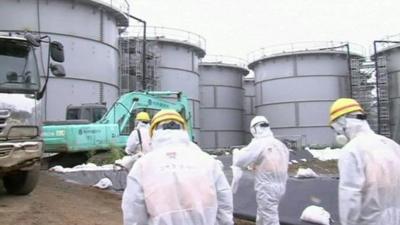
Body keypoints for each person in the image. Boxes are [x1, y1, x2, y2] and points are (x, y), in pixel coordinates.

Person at [121, 109, 234, 225]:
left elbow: (133, 211)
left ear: (153, 132)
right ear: (184, 129)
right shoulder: (208, 161)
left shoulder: (142, 166)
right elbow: (224, 201)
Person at [329, 98, 400, 225]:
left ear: (342, 123)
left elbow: (350, 197)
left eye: (336, 129)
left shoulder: (352, 151)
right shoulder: (392, 145)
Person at [233, 115, 289, 225]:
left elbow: (240, 160)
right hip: (281, 185)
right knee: (263, 213)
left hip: (266, 187)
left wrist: (236, 152)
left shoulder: (259, 144)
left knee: (270, 218)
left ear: (254, 129)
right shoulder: (280, 145)